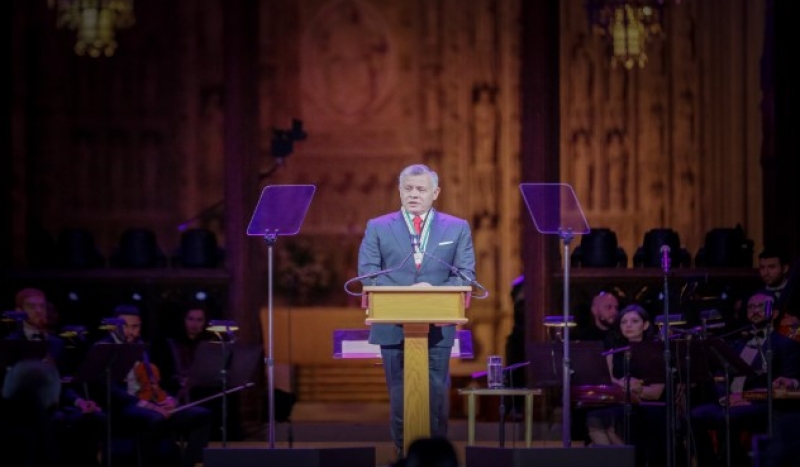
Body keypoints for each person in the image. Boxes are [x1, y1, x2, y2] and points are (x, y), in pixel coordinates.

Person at [357, 163, 476, 458]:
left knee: (436, 391)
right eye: (408, 189)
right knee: (399, 391)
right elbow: (368, 275)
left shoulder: (457, 227)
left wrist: (432, 292)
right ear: (399, 190)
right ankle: (403, 452)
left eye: (421, 189)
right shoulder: (378, 226)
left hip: (438, 322)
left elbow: (465, 275)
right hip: (391, 322)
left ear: (435, 193)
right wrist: (406, 292)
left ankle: (436, 455)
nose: (413, 195)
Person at [689, 289, 800, 467]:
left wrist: (747, 398)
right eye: (751, 307)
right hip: (730, 401)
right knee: (694, 415)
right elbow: (719, 376)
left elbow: (791, 381)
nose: (755, 310)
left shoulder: (784, 344)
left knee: (725, 418)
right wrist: (725, 396)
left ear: (775, 312)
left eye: (761, 306)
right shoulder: (736, 343)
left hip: (761, 405)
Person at [94, 304, 212, 467]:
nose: (130, 332)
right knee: (155, 419)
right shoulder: (103, 348)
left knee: (201, 416)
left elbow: (153, 380)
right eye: (125, 326)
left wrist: (169, 400)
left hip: (148, 401)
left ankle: (188, 463)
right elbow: (107, 388)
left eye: (135, 327)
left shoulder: (141, 346)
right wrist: (147, 405)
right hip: (122, 406)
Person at [5, 287, 107, 467]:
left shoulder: (56, 343)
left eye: (41, 307)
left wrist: (79, 402)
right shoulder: (10, 343)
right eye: (31, 307)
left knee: (93, 417)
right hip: (23, 408)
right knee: (52, 423)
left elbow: (64, 381)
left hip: (56, 406)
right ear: (19, 311)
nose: (38, 311)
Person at [584, 304, 668, 467]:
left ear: (645, 325)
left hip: (649, 404)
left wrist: (638, 388)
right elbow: (608, 379)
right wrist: (624, 385)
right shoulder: (614, 351)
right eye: (624, 322)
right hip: (622, 400)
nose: (628, 325)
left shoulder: (656, 351)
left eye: (634, 321)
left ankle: (629, 461)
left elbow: (656, 392)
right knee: (594, 416)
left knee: (612, 421)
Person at [152, 302, 243, 441]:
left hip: (204, 383)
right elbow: (164, 372)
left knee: (226, 393)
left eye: (199, 320)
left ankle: (223, 439)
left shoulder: (210, 341)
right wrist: (180, 380)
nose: (195, 324)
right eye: (191, 319)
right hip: (179, 386)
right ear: (183, 320)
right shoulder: (170, 342)